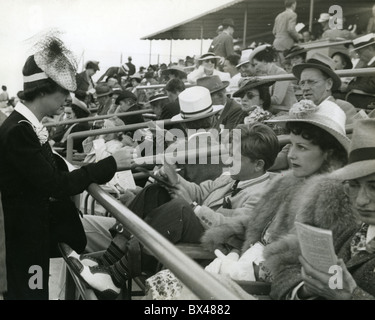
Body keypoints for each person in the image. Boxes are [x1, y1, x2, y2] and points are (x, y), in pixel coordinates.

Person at [60, 120, 281, 299]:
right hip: (201, 230)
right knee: (155, 192)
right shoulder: (230, 178)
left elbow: (235, 227)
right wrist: (174, 180)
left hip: (220, 245)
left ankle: (115, 276)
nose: (228, 159)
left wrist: (195, 208)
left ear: (258, 164)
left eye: (234, 157)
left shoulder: (265, 193)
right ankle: (108, 260)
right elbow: (199, 190)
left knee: (179, 210)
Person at [0, 36, 134, 300]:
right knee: (32, 295)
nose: (67, 98)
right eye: (63, 91)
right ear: (42, 91)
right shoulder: (19, 132)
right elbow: (55, 184)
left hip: (29, 237)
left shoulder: (22, 126)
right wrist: (111, 163)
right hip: (26, 241)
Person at [200, 99, 350, 285]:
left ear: (329, 153)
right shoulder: (286, 181)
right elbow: (258, 226)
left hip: (263, 285)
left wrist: (247, 270)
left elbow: (301, 257)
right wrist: (234, 251)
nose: (291, 155)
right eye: (292, 145)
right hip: (244, 267)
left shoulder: (332, 195)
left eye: (301, 147)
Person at [264, 118, 375, 300]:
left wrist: (350, 297)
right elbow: (290, 267)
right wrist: (306, 289)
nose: (361, 200)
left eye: (374, 186)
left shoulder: (337, 212)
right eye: (353, 186)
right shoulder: (351, 233)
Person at [293, 51, 358, 124]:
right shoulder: (298, 109)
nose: (305, 88)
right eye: (302, 83)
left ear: (328, 84)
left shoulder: (343, 108)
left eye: (311, 82)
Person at [249, 44, 297, 110]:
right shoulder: (269, 74)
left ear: (264, 61)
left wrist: (257, 100)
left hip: (289, 112)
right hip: (277, 112)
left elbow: (277, 99)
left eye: (256, 64)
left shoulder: (280, 73)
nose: (256, 68)